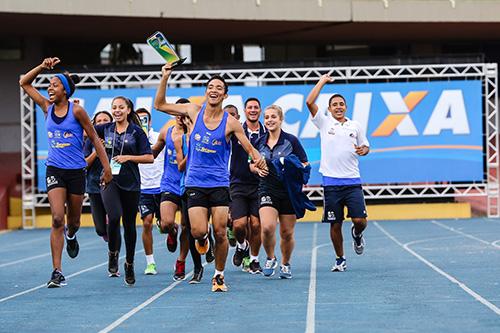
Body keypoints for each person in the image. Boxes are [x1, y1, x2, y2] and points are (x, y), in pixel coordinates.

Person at [154, 63, 266, 292]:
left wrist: (258, 158)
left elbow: (247, 146)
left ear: (225, 94)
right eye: (210, 86)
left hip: (219, 184)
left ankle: (219, 275)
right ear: (206, 92)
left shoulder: (231, 122)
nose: (214, 90)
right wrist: (165, 76)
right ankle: (204, 242)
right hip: (194, 182)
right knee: (197, 231)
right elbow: (159, 105)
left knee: (221, 231)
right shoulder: (193, 112)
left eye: (219, 87)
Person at [19, 57, 112, 288]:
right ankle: (57, 271)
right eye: (49, 84)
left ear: (66, 90)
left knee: (74, 222)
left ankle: (71, 236)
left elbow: (94, 139)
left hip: (76, 172)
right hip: (55, 170)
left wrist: (107, 168)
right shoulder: (46, 107)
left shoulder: (77, 112)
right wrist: (41, 67)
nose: (50, 88)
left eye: (54, 84)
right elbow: (24, 83)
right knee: (57, 218)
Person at [306, 74, 369, 272]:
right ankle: (340, 258)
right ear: (329, 108)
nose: (339, 107)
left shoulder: (355, 125)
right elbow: (309, 101)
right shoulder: (324, 123)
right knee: (335, 223)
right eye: (335, 104)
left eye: (342, 104)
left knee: (360, 221)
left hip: (352, 181)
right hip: (331, 182)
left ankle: (357, 235)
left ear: (346, 107)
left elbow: (365, 146)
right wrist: (322, 81)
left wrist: (364, 150)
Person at [95, 96, 153, 286]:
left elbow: (149, 157)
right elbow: (85, 129)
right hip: (109, 180)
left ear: (129, 110)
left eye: (121, 107)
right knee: (113, 216)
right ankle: (113, 253)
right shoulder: (105, 129)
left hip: (131, 183)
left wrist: (128, 157)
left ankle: (129, 262)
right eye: (114, 107)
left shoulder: (137, 132)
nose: (117, 110)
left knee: (129, 224)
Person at [152, 98, 209, 283]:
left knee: (189, 228)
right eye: (176, 114)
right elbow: (152, 153)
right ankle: (171, 231)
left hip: (189, 185)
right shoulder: (167, 133)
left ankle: (182, 261)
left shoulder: (196, 134)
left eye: (183, 114)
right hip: (169, 183)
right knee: (166, 222)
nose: (179, 117)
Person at [253, 105, 309, 279]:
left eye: (273, 117)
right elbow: (251, 162)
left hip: (289, 191)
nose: (269, 120)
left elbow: (305, 164)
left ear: (281, 119)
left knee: (286, 233)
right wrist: (256, 169)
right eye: (267, 117)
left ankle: (285, 263)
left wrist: (291, 168)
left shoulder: (291, 141)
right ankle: (271, 258)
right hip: (267, 188)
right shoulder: (259, 142)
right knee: (268, 227)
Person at [229, 98, 266, 274]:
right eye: (250, 107)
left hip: (260, 185)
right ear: (245, 111)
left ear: (260, 110)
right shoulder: (236, 131)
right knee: (239, 226)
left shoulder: (266, 132)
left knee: (257, 225)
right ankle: (242, 245)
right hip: (237, 183)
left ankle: (254, 259)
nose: (253, 110)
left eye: (256, 107)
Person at [136, 108, 164, 276]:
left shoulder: (159, 137)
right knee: (146, 223)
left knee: (167, 225)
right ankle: (150, 262)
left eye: (145, 120)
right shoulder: (131, 140)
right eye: (139, 121)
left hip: (162, 187)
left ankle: (170, 229)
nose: (142, 123)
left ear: (150, 122)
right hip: (143, 189)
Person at [83, 110, 113, 242]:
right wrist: (98, 150)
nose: (102, 123)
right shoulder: (89, 141)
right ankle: (104, 225)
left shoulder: (116, 137)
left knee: (114, 219)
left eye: (105, 120)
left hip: (113, 185)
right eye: (98, 121)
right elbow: (84, 164)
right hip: (94, 186)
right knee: (100, 229)